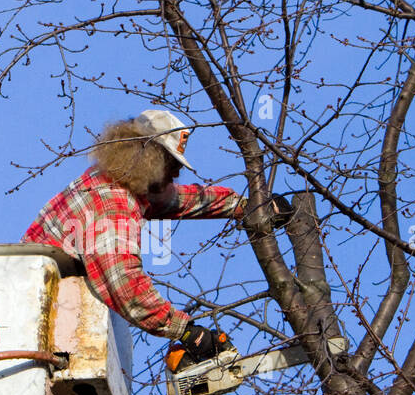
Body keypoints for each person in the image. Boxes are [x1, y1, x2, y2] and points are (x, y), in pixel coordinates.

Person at [23, 110, 293, 365]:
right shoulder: (111, 203)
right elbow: (125, 284)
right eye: (172, 164)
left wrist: (245, 206)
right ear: (149, 157)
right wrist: (184, 330)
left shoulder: (115, 179)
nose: (176, 173)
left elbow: (182, 199)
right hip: (37, 319)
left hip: (48, 310)